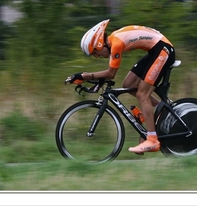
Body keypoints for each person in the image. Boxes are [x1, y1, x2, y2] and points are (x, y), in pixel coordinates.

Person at [65, 19, 175, 154]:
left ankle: (152, 140)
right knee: (128, 84)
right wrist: (87, 77)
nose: (96, 57)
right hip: (156, 50)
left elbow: (111, 74)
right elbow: (110, 74)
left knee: (142, 94)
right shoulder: (113, 41)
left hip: (163, 50)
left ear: (100, 45)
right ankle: (161, 112)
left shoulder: (116, 43)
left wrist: (84, 76)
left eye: (95, 53)